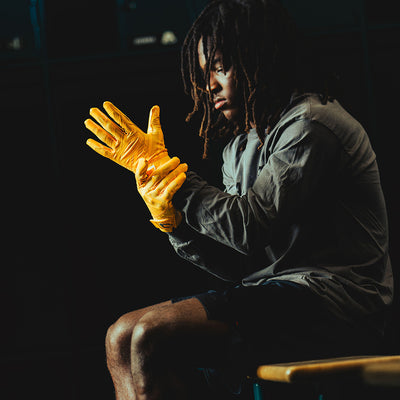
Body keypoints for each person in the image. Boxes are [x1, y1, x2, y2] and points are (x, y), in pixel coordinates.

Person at [83, 1, 393, 399]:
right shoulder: (238, 147)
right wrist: (176, 225)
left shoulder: (312, 123)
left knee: (148, 334)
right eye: (203, 72)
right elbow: (239, 263)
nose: (208, 85)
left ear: (258, 59)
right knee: (120, 335)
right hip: (277, 296)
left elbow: (249, 226)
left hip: (338, 304)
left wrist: (170, 176)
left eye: (219, 68)